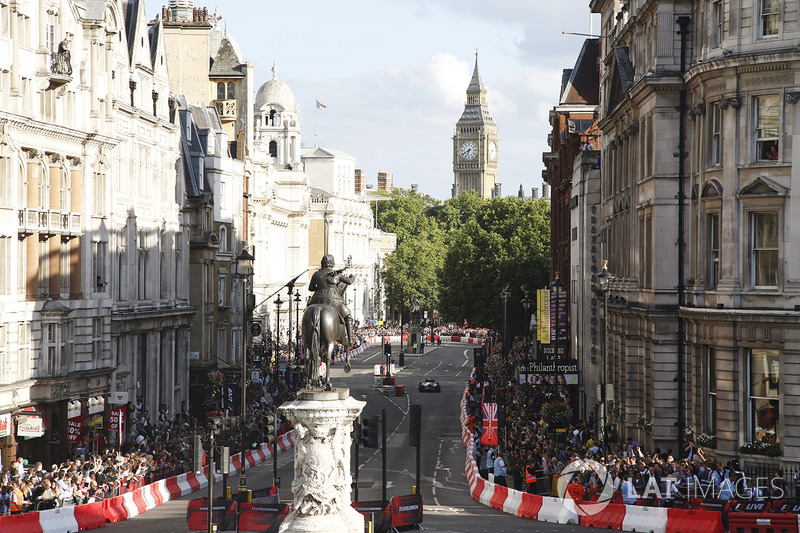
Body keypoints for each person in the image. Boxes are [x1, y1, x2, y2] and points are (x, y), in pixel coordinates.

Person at [308, 254, 355, 346]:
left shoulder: (316, 274)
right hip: (334, 301)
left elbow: (311, 288)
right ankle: (350, 339)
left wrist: (320, 287)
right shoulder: (337, 274)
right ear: (332, 263)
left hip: (317, 299)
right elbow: (349, 282)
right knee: (348, 315)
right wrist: (352, 276)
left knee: (308, 312)